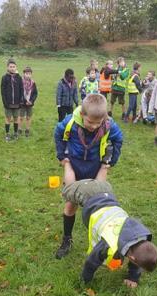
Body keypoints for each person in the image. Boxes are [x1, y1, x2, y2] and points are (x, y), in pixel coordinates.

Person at [53, 94, 123, 258]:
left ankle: (102, 241)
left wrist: (110, 162)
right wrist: (62, 157)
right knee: (71, 203)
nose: (93, 126)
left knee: (99, 203)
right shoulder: (71, 121)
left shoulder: (108, 125)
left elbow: (119, 139)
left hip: (95, 165)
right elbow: (58, 132)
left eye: (97, 123)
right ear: (82, 114)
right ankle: (67, 239)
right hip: (75, 164)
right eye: (90, 122)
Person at [61, 179, 157, 287]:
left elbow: (138, 256)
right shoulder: (108, 242)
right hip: (87, 193)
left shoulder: (140, 237)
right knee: (67, 190)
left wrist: (133, 278)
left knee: (93, 181)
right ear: (132, 259)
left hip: (106, 192)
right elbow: (92, 261)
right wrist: (84, 281)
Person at [0, 58, 24, 141]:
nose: (12, 68)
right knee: (8, 118)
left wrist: (21, 101)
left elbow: (22, 90)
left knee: (16, 118)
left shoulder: (19, 78)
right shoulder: (4, 78)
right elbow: (2, 91)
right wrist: (5, 102)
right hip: (8, 103)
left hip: (17, 103)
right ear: (7, 67)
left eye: (14, 66)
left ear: (16, 67)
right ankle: (7, 134)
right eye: (10, 66)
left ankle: (15, 133)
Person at [20, 66, 38, 137]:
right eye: (26, 73)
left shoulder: (33, 83)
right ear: (24, 74)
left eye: (29, 74)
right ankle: (19, 129)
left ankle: (27, 130)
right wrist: (24, 101)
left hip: (30, 103)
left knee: (28, 117)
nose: (28, 75)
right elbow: (19, 93)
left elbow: (35, 93)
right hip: (22, 103)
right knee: (21, 117)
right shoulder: (20, 82)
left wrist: (31, 101)